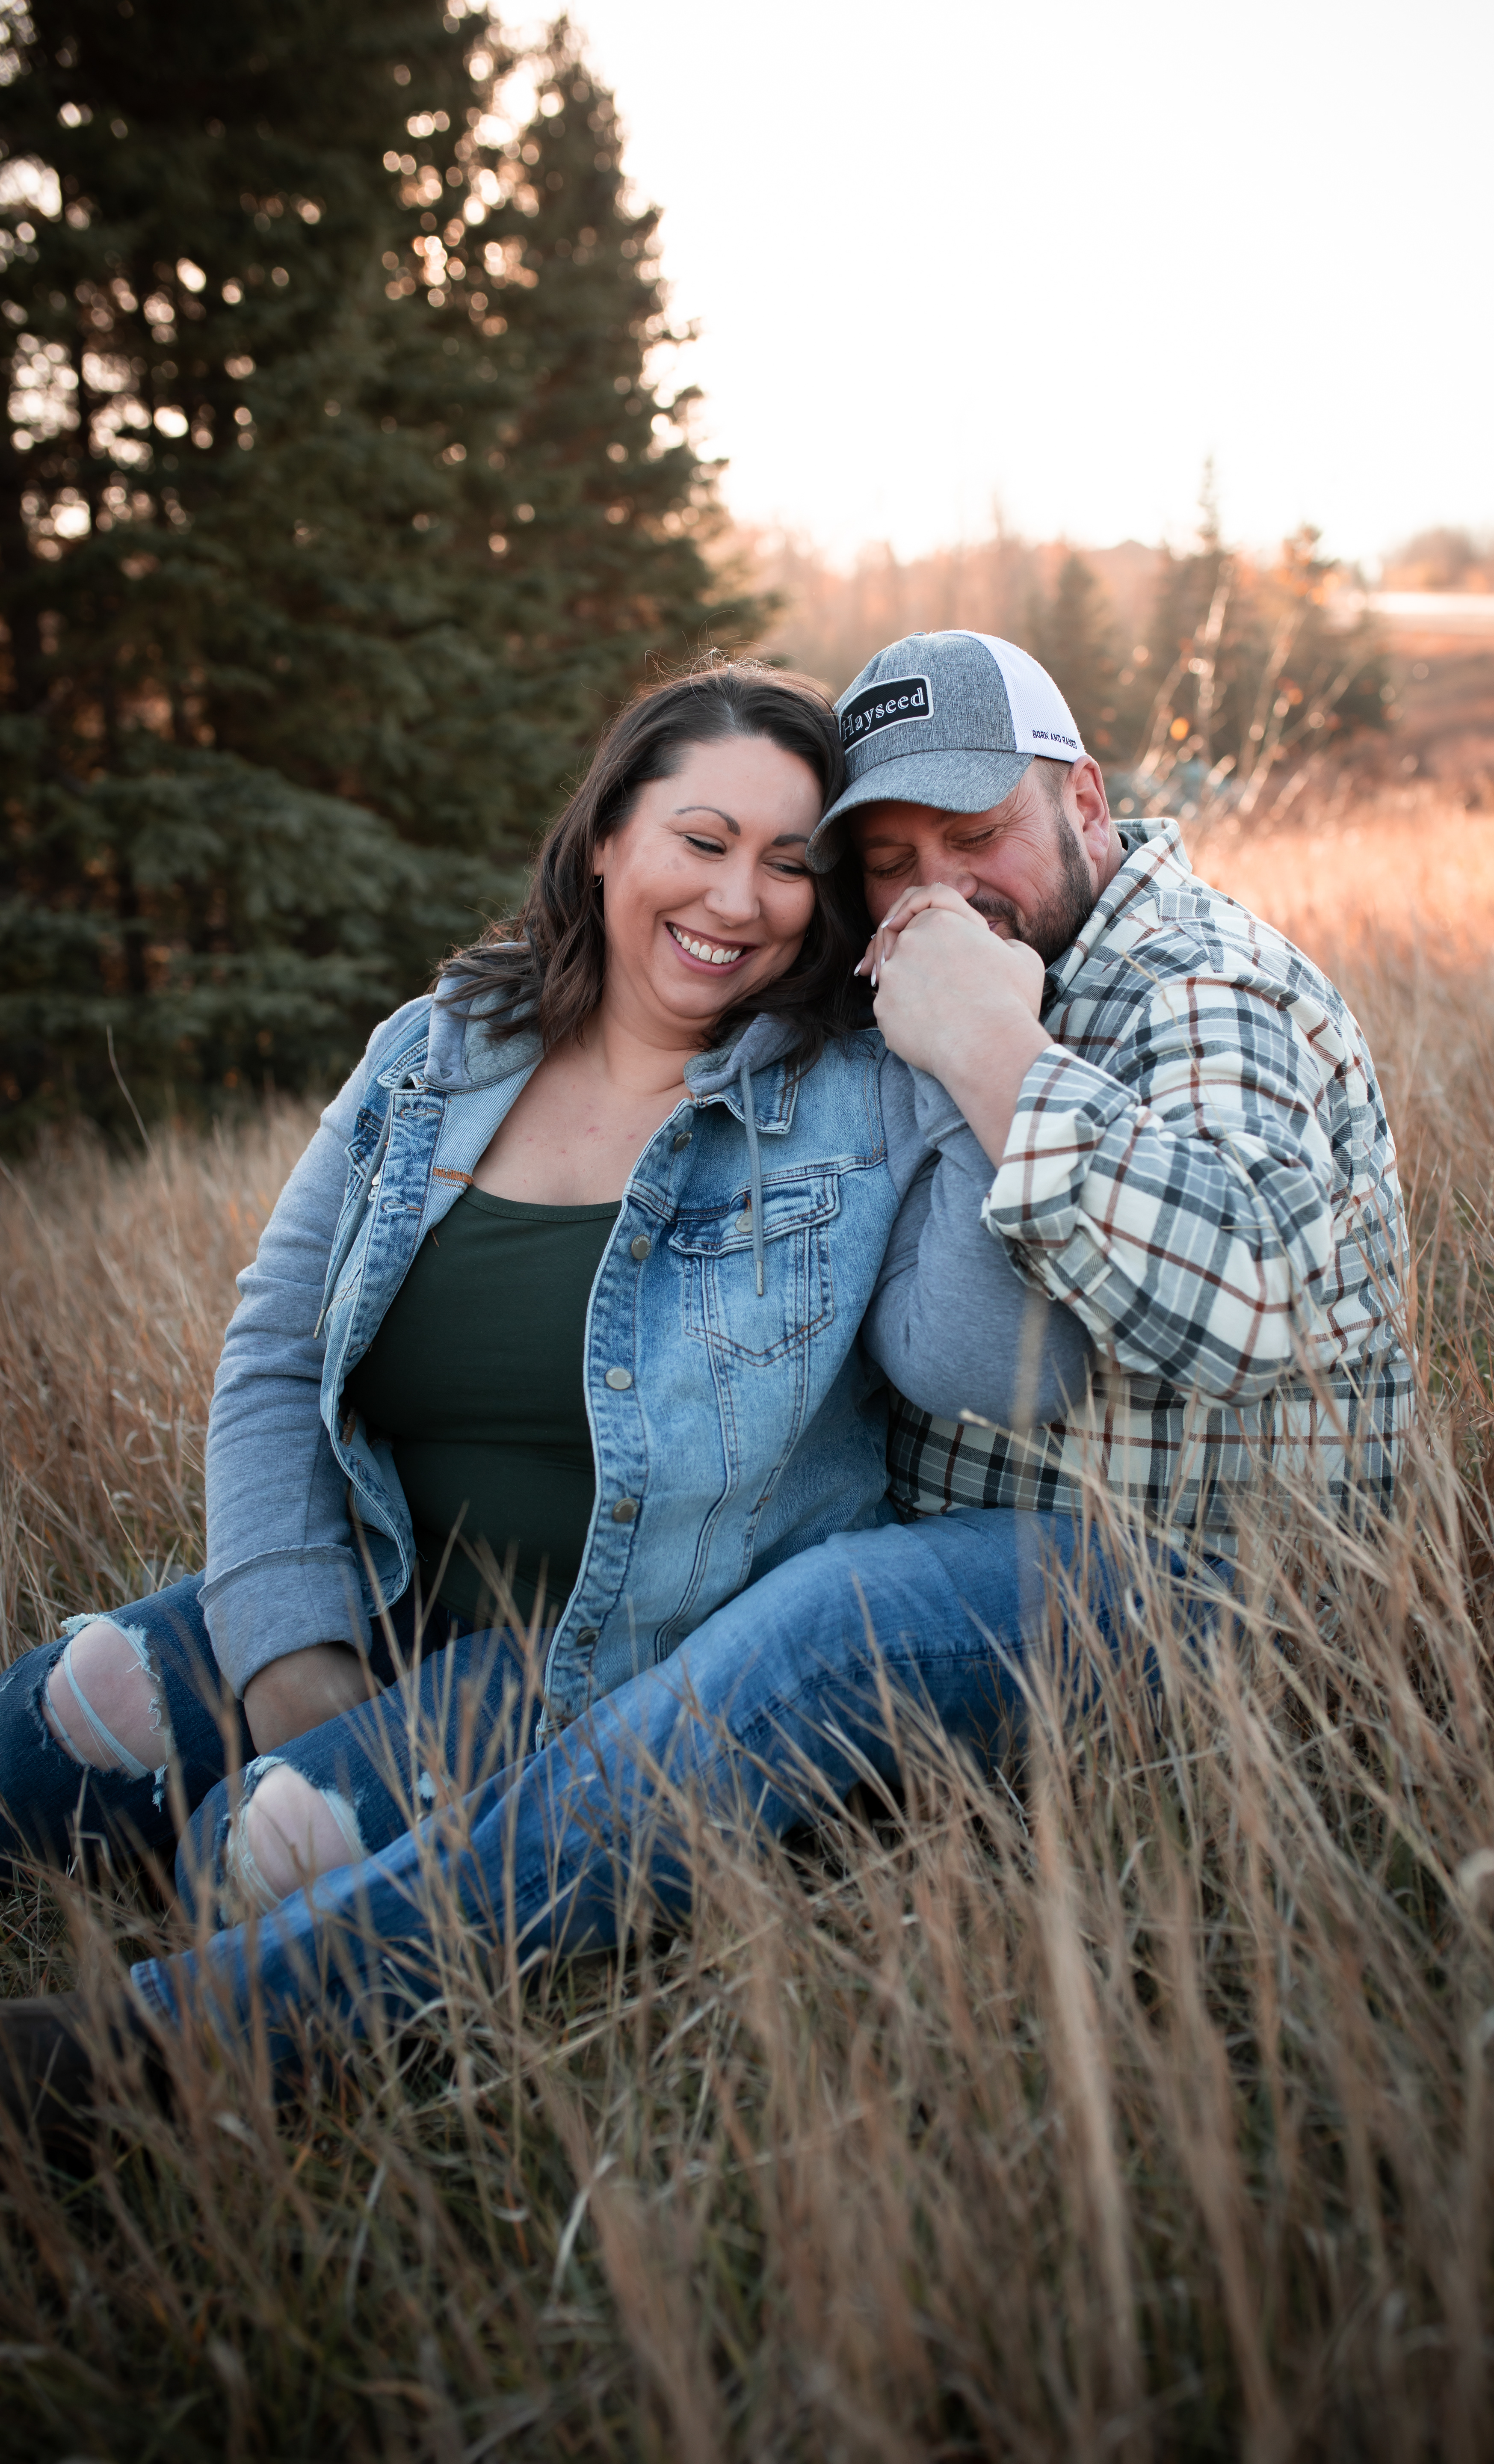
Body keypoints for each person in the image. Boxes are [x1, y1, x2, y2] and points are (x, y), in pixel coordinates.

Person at [0, 631, 1409, 2135]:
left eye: (975, 834)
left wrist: (990, 1052)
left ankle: (185, 2048)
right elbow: (280, 1344)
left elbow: (1188, 1323)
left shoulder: (1188, 990)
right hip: (539, 1566)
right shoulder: (454, 1049)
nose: (936, 886)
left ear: (1086, 796)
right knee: (95, 1707)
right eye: (888, 857)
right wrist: (293, 1637)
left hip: (1182, 1589)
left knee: (813, 1626)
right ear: (608, 838)